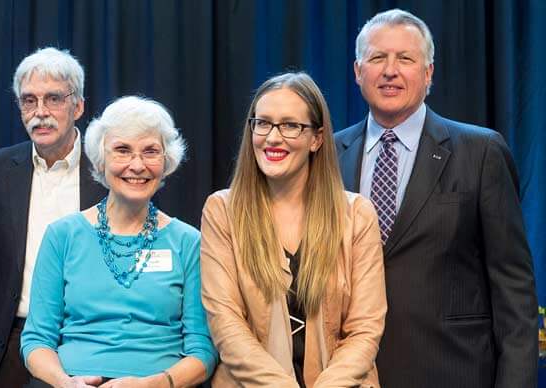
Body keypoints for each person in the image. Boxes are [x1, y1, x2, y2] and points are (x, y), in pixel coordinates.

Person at [334, 9, 537, 388]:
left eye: (405, 59)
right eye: (377, 58)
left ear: (428, 74)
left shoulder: (481, 152)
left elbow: (515, 295)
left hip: (453, 373)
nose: (390, 70)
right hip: (351, 377)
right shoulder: (328, 156)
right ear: (358, 71)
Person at [200, 72, 386, 387]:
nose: (273, 137)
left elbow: (364, 330)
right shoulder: (222, 211)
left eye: (290, 125)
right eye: (263, 123)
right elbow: (226, 324)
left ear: (317, 138)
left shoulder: (356, 214)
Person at [20, 96, 217, 388]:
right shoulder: (62, 235)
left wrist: (152, 385)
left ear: (166, 161)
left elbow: (203, 350)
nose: (137, 165)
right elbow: (37, 340)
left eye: (150, 151)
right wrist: (66, 383)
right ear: (101, 159)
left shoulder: (188, 242)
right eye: (122, 150)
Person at [0, 47, 105, 388]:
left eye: (53, 99)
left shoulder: (108, 170)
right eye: (29, 100)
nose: (40, 112)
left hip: (86, 339)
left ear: (78, 106)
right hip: (12, 342)